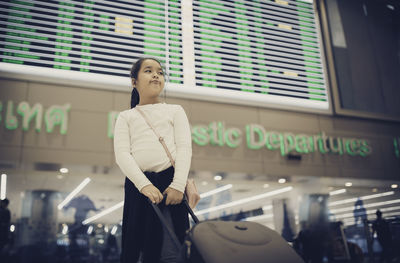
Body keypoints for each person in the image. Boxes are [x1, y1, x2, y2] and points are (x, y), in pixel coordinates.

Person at [114, 57, 192, 263]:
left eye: (160, 72)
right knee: (137, 250)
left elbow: (184, 149)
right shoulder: (125, 117)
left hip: (170, 190)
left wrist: (178, 184)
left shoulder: (175, 110)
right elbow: (122, 155)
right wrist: (144, 185)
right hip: (139, 189)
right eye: (148, 71)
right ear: (134, 82)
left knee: (173, 251)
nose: (156, 75)